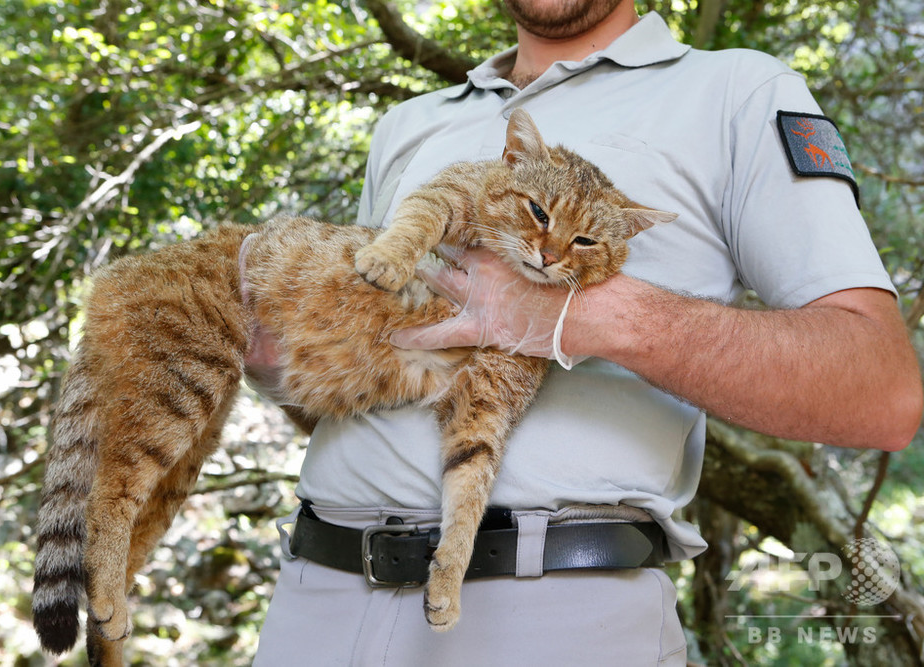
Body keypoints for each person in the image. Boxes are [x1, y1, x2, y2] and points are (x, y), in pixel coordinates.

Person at [250, 2, 923, 665]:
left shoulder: (736, 92)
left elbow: (883, 390)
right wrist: (275, 360)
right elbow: (377, 378)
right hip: (316, 593)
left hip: (552, 611)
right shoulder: (410, 121)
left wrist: (579, 316)